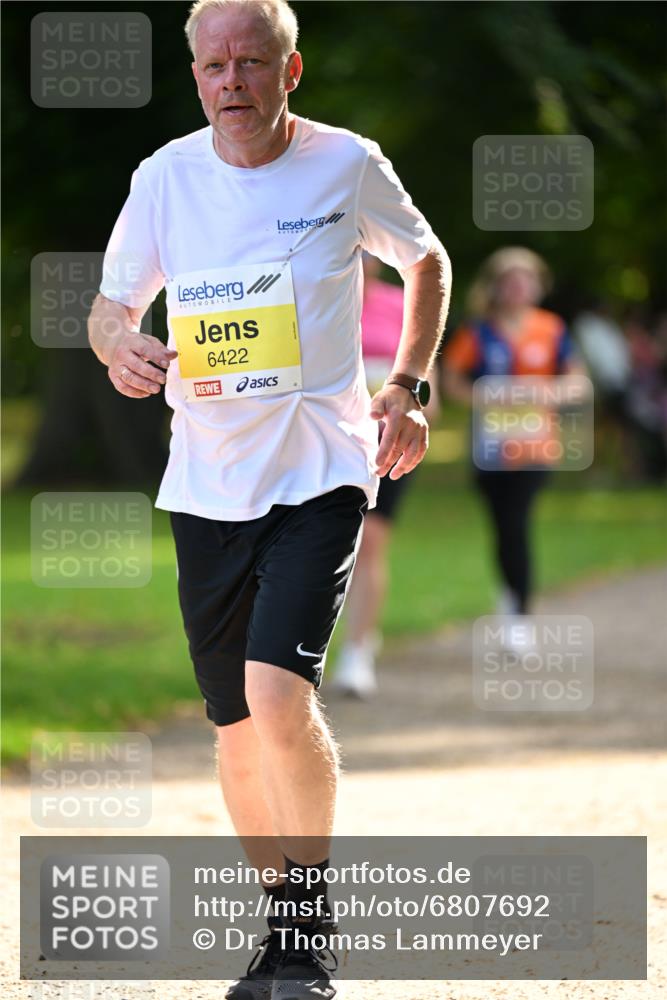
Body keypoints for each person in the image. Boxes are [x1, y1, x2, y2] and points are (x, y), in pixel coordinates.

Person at [87, 1, 451, 997]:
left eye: (253, 62)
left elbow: (424, 258)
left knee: (275, 698)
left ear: (291, 72)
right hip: (206, 482)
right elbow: (112, 303)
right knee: (236, 729)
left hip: (321, 472)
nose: (232, 82)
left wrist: (408, 385)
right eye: (214, 66)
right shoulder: (164, 179)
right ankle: (279, 935)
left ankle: (306, 929)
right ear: (195, 74)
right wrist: (118, 343)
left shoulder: (345, 162)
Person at [443, 248, 582, 640]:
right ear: (495, 287)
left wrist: (543, 392)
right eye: (509, 280)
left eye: (526, 279)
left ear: (538, 286)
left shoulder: (552, 329)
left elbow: (576, 382)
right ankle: (510, 595)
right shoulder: (478, 332)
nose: (518, 287)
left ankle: (518, 612)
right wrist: (487, 395)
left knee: (518, 522)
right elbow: (452, 381)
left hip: (536, 444)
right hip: (491, 447)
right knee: (504, 525)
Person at [331, 253, 440, 698]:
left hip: (387, 443)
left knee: (370, 542)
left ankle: (358, 653)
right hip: (328, 444)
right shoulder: (315, 300)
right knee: (327, 543)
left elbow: (426, 384)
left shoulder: (400, 304)